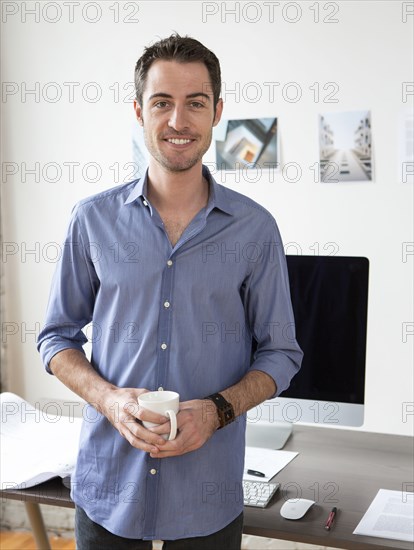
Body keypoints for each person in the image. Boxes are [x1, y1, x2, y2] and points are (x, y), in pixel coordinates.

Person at [37, 34, 303, 550]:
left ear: (217, 112)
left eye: (195, 103)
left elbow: (281, 353)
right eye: (162, 102)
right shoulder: (91, 220)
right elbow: (55, 338)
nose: (178, 121)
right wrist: (109, 400)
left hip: (208, 497)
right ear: (139, 111)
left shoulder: (255, 230)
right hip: (109, 489)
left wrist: (218, 411)